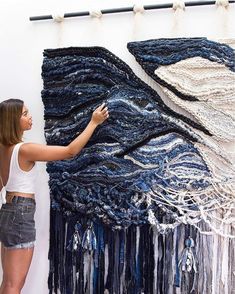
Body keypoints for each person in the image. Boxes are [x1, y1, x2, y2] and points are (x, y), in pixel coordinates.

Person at [0, 98, 109, 294]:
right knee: (15, 285)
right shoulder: (25, 150)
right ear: (12, 121)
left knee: (8, 282)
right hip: (20, 213)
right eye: (24, 114)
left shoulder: (3, 149)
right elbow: (70, 152)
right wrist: (93, 122)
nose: (30, 116)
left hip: (8, 211)